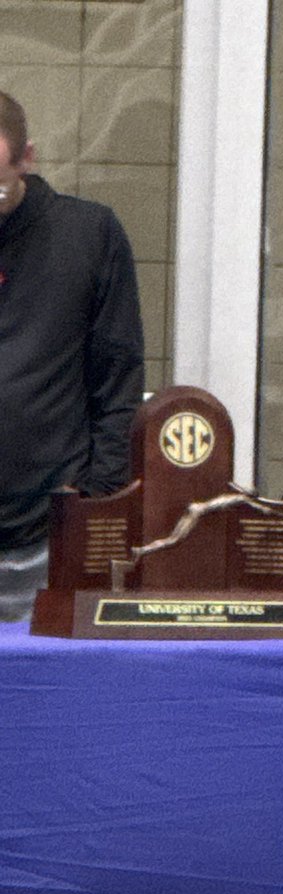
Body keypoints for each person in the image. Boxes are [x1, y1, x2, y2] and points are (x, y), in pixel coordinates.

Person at [0, 90, 144, 622]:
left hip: (49, 535)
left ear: (27, 159)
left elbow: (119, 380)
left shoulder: (87, 236)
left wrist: (90, 500)